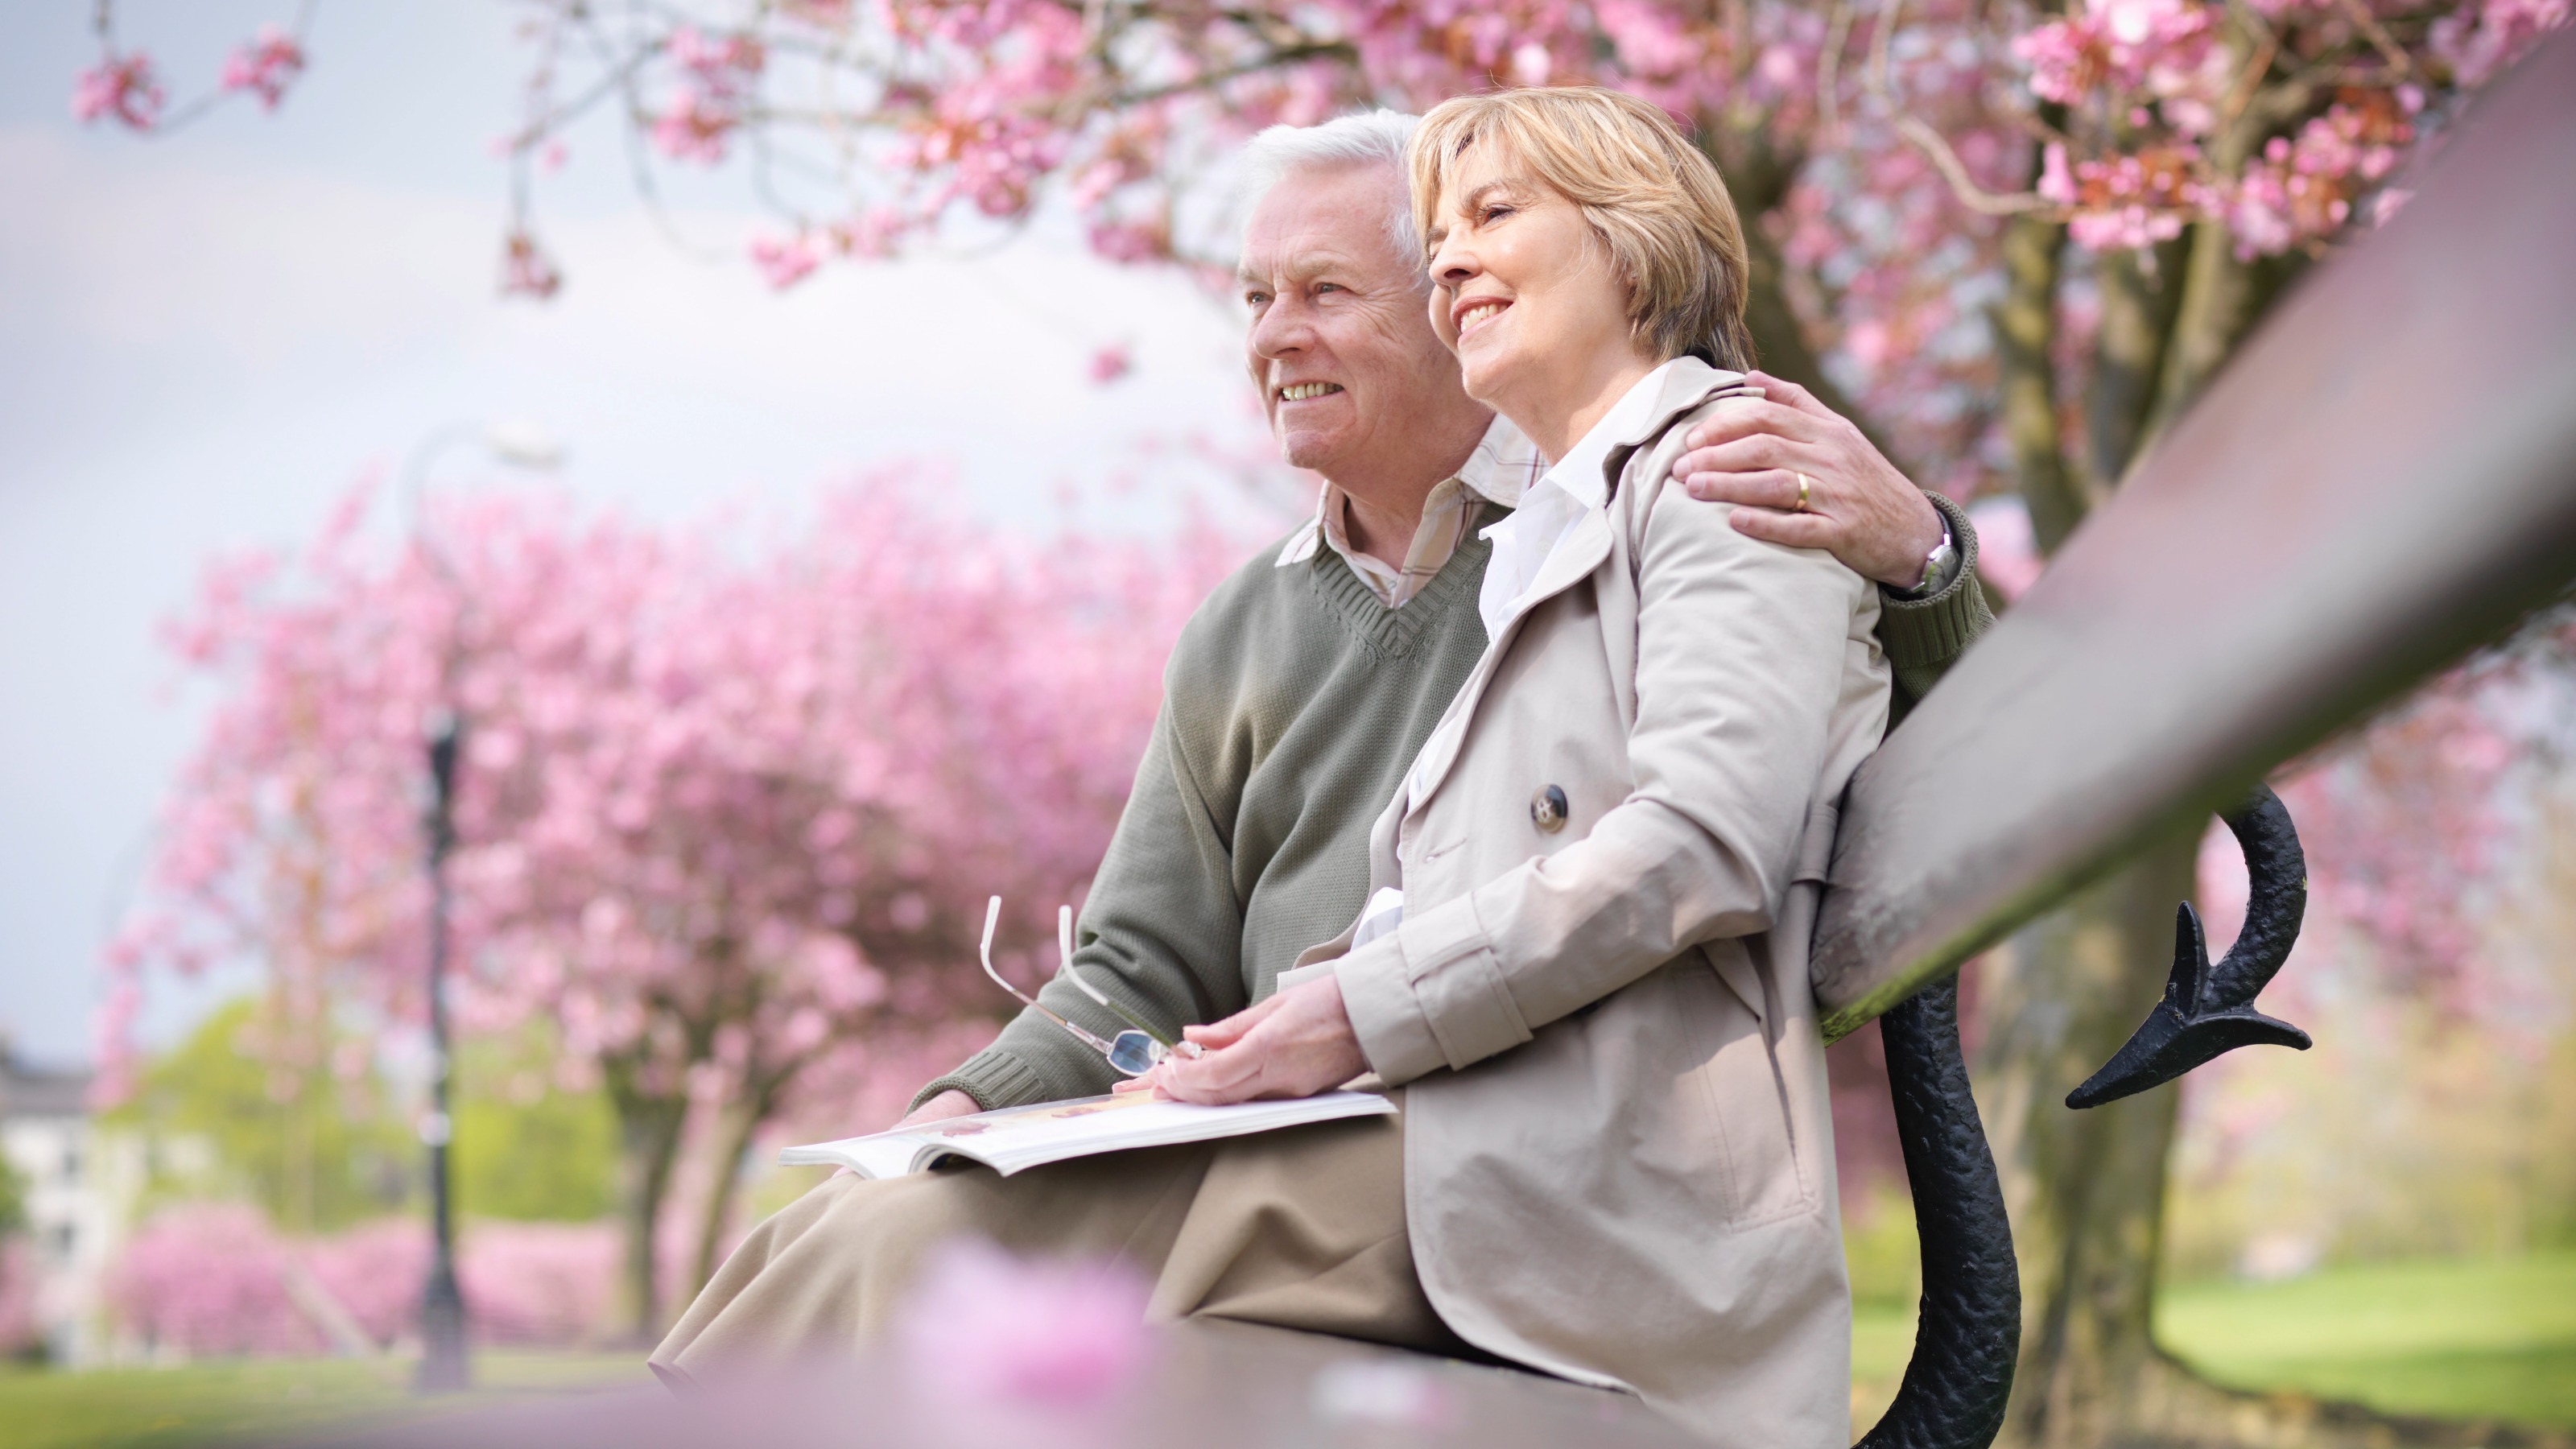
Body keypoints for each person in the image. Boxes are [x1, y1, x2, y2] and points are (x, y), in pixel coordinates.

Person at [650, 102, 1992, 1436]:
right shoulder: (1264, 623)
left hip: (1497, 1158)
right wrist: (964, 1110)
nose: (1274, 337)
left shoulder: (1668, 493)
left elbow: (1830, 779)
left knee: (915, 1257)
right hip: (1336, 1131)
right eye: (1254, 298)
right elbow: (1137, 960)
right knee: (871, 1218)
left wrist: (1920, 554)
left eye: (1329, 290)